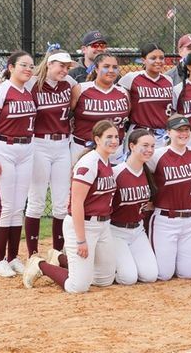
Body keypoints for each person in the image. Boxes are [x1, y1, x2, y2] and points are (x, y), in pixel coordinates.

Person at [23, 120, 118, 293]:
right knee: (78, 286)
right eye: (109, 137)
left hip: (102, 226)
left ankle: (59, 258)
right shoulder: (89, 163)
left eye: (116, 137)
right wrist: (81, 240)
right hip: (83, 225)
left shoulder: (106, 161)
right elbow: (76, 203)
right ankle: (40, 265)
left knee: (104, 279)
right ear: (97, 139)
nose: (114, 140)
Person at [0, 51, 37, 277]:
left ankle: (13, 257)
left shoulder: (28, 91)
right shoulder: (0, 91)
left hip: (25, 151)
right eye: (23, 65)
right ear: (11, 67)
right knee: (4, 208)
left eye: (31, 66)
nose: (28, 69)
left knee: (17, 208)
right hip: (2, 150)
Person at [22, 46, 77, 257]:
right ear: (49, 63)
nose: (64, 70)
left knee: (62, 203)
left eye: (67, 67)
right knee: (36, 201)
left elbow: (81, 91)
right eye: (61, 66)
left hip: (63, 145)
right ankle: (33, 254)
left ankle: (57, 251)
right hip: (39, 145)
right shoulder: (32, 84)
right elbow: (10, 83)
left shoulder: (69, 84)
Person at [147, 114, 191, 280]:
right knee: (164, 274)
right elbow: (142, 175)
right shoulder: (158, 155)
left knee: (189, 274)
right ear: (168, 132)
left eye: (186, 129)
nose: (183, 133)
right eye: (179, 130)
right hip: (166, 220)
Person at [109, 128, 158, 285]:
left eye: (152, 146)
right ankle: (100, 269)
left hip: (137, 231)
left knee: (150, 276)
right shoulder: (116, 173)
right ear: (132, 146)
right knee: (128, 278)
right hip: (116, 231)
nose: (149, 150)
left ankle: (123, 261)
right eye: (145, 145)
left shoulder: (148, 173)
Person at [69, 53, 130, 164]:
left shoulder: (123, 92)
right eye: (106, 67)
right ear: (96, 69)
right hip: (84, 147)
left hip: (115, 151)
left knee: (113, 181)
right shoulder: (80, 89)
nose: (111, 70)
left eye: (115, 67)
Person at [118, 42, 174, 148]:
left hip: (162, 135)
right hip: (138, 133)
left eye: (161, 58)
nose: (158, 61)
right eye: (153, 58)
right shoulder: (131, 78)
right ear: (143, 60)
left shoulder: (168, 80)